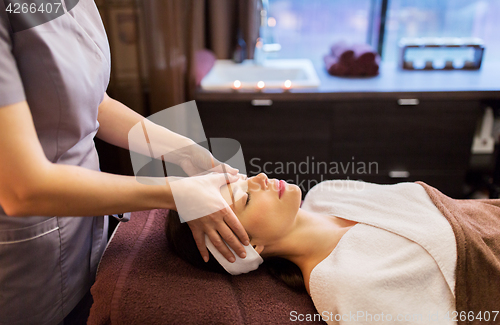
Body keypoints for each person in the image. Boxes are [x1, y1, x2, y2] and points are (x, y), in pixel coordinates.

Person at [0, 1, 248, 324]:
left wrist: (185, 151)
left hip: (88, 240)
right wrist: (176, 192)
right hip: (26, 267)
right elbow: (22, 190)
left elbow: (91, 101)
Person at [167, 173, 464, 324]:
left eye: (245, 179)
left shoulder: (327, 191)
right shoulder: (345, 281)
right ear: (247, 247)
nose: (260, 178)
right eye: (246, 198)